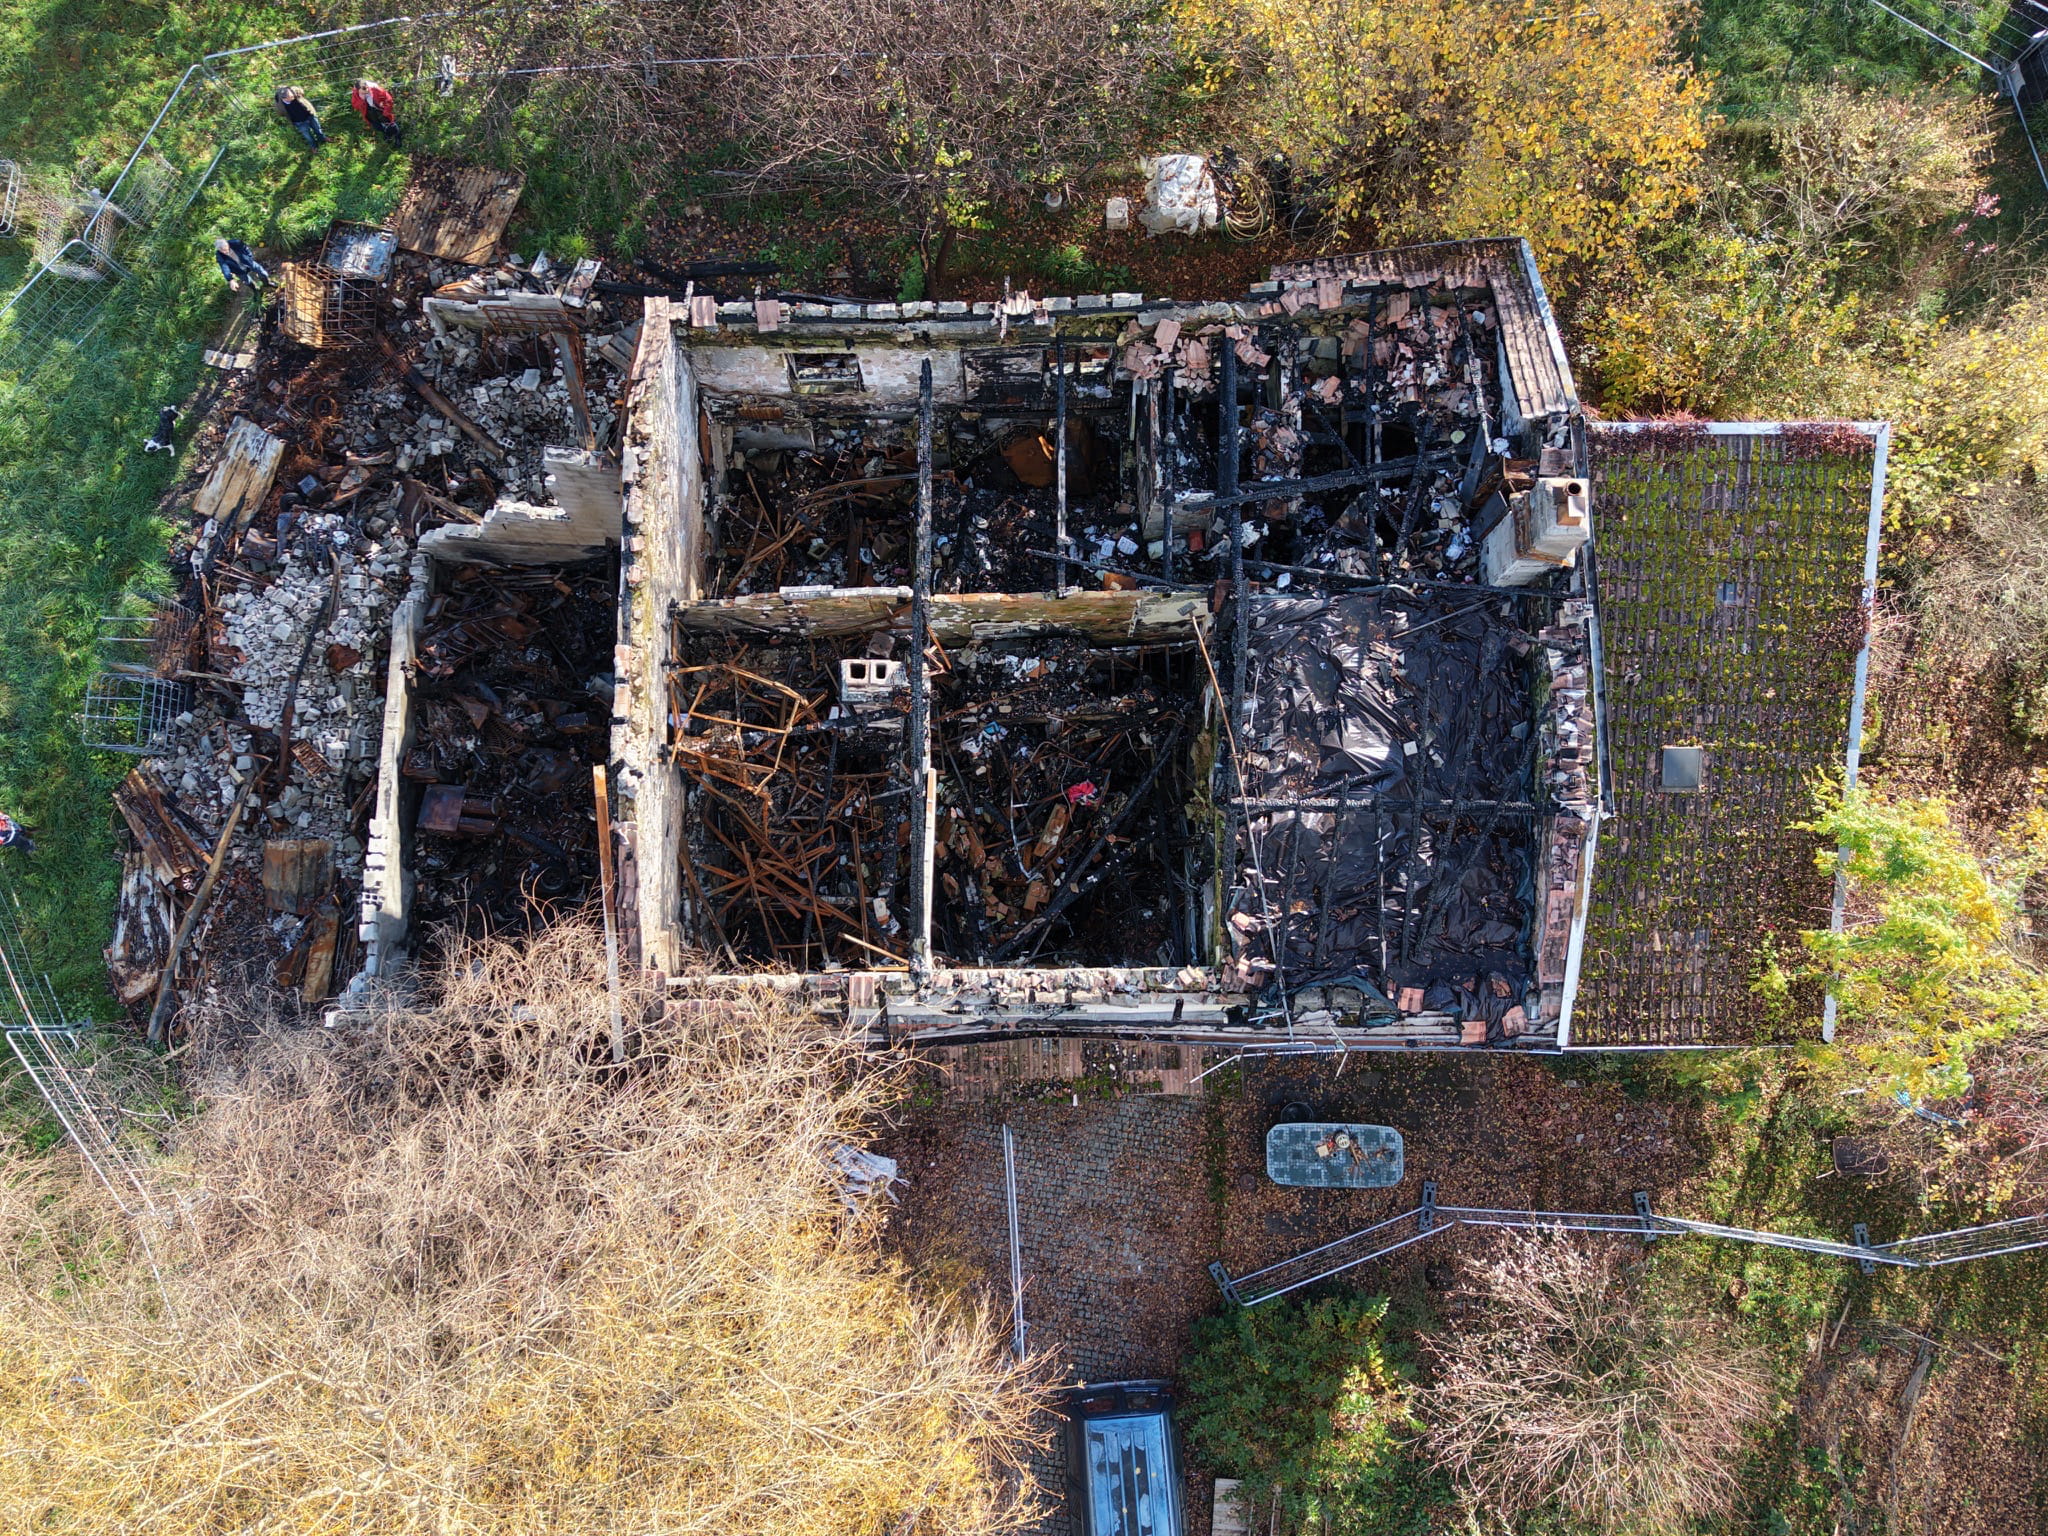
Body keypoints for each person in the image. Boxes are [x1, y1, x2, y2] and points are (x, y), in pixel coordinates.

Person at [351, 78, 402, 144]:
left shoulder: (375, 89)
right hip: (369, 110)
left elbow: (388, 99)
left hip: (380, 108)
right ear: (358, 90)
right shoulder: (356, 93)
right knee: (377, 126)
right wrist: (361, 99)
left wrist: (386, 112)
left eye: (366, 88)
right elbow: (355, 105)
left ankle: (397, 137)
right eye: (363, 89)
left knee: (390, 124)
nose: (366, 90)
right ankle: (387, 134)